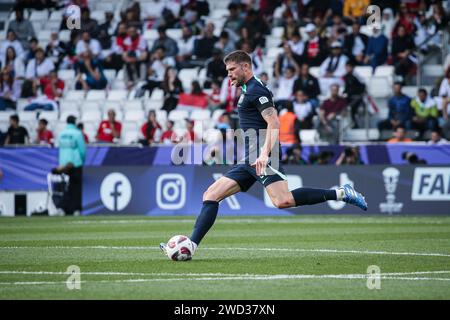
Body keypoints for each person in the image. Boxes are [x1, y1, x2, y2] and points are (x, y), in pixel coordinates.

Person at [160, 50, 367, 260]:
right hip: (249, 158)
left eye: (232, 70)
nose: (229, 74)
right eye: (227, 70)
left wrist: (264, 154)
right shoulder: (248, 89)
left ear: (246, 67)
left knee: (283, 201)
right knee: (211, 195)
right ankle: (191, 245)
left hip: (262, 156)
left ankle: (342, 193)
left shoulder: (257, 90)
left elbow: (274, 122)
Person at [57, 115, 86, 215]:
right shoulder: (77, 133)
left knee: (65, 186)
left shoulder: (61, 134)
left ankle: (62, 208)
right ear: (74, 122)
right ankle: (75, 209)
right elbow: (82, 150)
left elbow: (59, 147)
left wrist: (62, 163)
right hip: (75, 163)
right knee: (76, 187)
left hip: (63, 164)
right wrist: (82, 161)